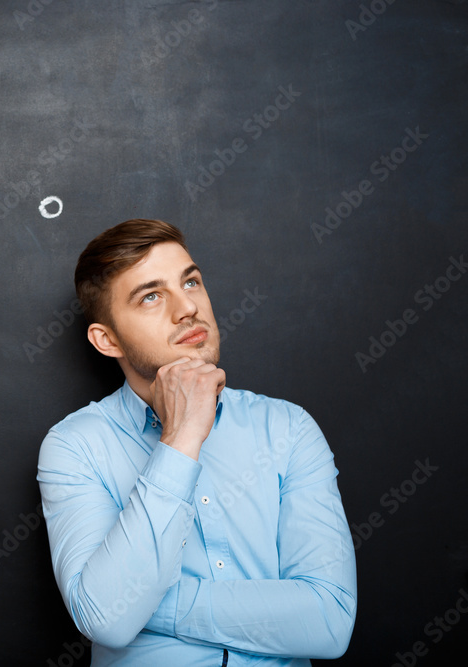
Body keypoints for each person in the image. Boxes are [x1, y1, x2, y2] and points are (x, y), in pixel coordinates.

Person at [37, 219, 357, 665]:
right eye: (151, 296)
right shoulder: (75, 446)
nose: (187, 306)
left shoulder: (288, 427)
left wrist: (147, 603)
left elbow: (329, 622)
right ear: (107, 339)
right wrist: (181, 436)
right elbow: (106, 620)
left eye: (191, 281)